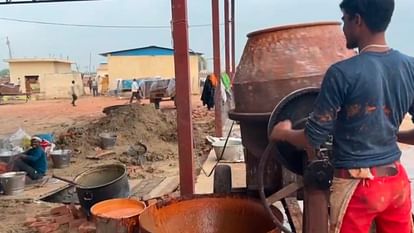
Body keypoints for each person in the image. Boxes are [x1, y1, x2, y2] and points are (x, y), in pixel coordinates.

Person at [270, 1, 414, 233]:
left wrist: (284, 133)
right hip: (396, 183)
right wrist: (391, 132)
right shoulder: (410, 67)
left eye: (344, 19)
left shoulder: (341, 73)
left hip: (357, 187)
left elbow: (312, 139)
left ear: (358, 20)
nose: (343, 27)